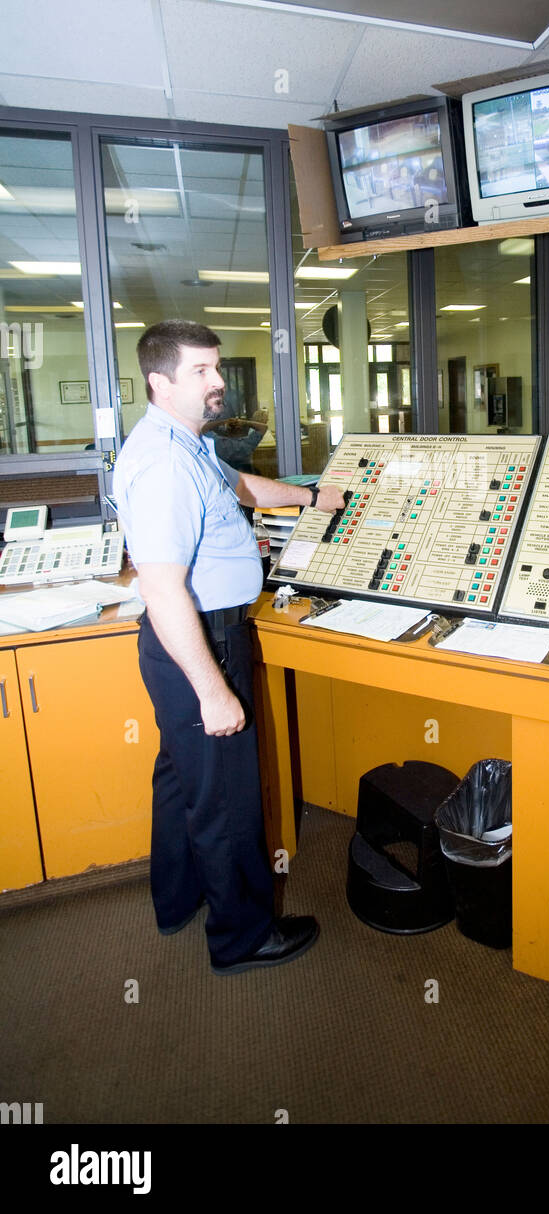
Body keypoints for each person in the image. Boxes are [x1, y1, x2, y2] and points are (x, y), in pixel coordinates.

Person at [113, 320, 345, 975]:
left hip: (192, 640)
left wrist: (312, 498)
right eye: (201, 372)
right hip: (197, 641)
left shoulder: (184, 445)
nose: (218, 382)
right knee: (226, 797)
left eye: (217, 368)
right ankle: (243, 939)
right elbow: (163, 592)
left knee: (182, 780)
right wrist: (214, 689)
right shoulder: (162, 465)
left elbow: (239, 488)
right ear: (160, 382)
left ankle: (178, 899)